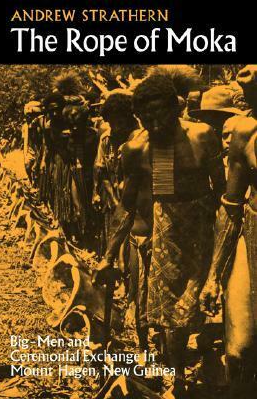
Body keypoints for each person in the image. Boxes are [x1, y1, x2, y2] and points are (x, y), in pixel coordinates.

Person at [94, 67, 226, 396]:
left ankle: (209, 363)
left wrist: (223, 240)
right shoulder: (138, 148)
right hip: (165, 231)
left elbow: (223, 194)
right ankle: (177, 376)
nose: (154, 125)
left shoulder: (202, 136)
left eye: (160, 116)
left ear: (175, 107)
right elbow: (127, 205)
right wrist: (108, 256)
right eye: (146, 118)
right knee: (172, 318)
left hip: (204, 227)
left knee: (203, 307)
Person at [199, 65, 257, 398]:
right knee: (239, 349)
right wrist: (213, 277)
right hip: (251, 234)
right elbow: (231, 208)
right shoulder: (245, 132)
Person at [92, 89, 139, 254]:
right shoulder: (106, 138)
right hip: (114, 198)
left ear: (129, 117)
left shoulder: (141, 138)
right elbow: (102, 170)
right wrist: (113, 200)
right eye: (112, 123)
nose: (116, 128)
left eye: (120, 123)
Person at [21, 101, 42, 183]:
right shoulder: (25, 127)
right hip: (30, 150)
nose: (29, 118)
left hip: (39, 150)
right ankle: (31, 181)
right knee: (27, 167)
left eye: (31, 116)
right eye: (27, 116)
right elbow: (25, 140)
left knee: (38, 170)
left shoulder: (39, 126)